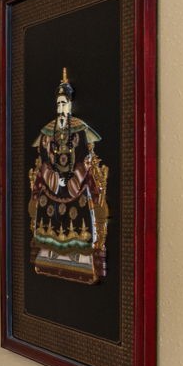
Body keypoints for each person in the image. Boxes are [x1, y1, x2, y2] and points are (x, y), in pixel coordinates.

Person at [27, 68, 109, 283]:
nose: (61, 108)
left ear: (70, 105)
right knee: (44, 201)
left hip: (75, 182)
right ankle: (48, 254)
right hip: (53, 181)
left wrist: (72, 178)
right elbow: (44, 159)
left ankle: (80, 257)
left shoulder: (79, 130)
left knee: (81, 201)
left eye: (64, 104)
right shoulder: (48, 132)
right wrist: (54, 177)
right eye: (59, 104)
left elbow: (84, 157)